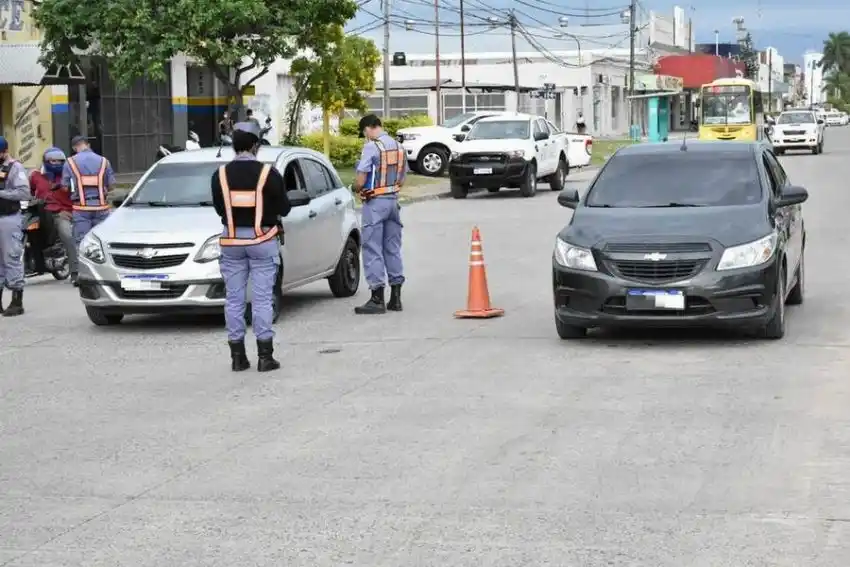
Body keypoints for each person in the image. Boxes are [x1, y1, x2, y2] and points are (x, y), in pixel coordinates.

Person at [211, 121, 292, 372]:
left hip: (231, 242)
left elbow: (218, 209)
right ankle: (265, 357)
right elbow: (285, 208)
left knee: (234, 300)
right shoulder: (269, 174)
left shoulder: (220, 175)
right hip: (262, 242)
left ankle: (237, 357)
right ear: (256, 146)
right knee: (261, 300)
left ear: (234, 147)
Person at [352, 114, 406, 315]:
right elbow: (403, 179)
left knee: (372, 249)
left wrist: (355, 187)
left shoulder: (371, 147)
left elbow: (361, 178)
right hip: (393, 201)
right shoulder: (399, 147)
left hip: (375, 204)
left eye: (364, 132)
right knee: (392, 248)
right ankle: (396, 298)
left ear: (367, 128)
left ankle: (376, 298)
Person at [61, 135, 115, 285]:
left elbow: (65, 187)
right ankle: (105, 275)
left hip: (81, 208)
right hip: (102, 207)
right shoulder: (104, 161)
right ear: (88, 145)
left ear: (74, 148)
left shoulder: (70, 162)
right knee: (103, 241)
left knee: (82, 242)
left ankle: (84, 275)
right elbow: (111, 186)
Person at [30, 148, 77, 281]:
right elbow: (29, 192)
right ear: (45, 161)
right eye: (52, 161)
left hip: (62, 213)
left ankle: (75, 272)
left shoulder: (69, 176)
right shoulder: (35, 176)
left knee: (67, 236)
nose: (56, 163)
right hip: (40, 212)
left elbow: (75, 195)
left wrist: (67, 211)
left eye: (59, 161)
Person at [0, 136, 32, 316]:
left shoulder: (15, 168)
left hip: (8, 219)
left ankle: (16, 301)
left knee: (11, 258)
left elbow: (24, 192)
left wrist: (1, 193)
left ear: (4, 152)